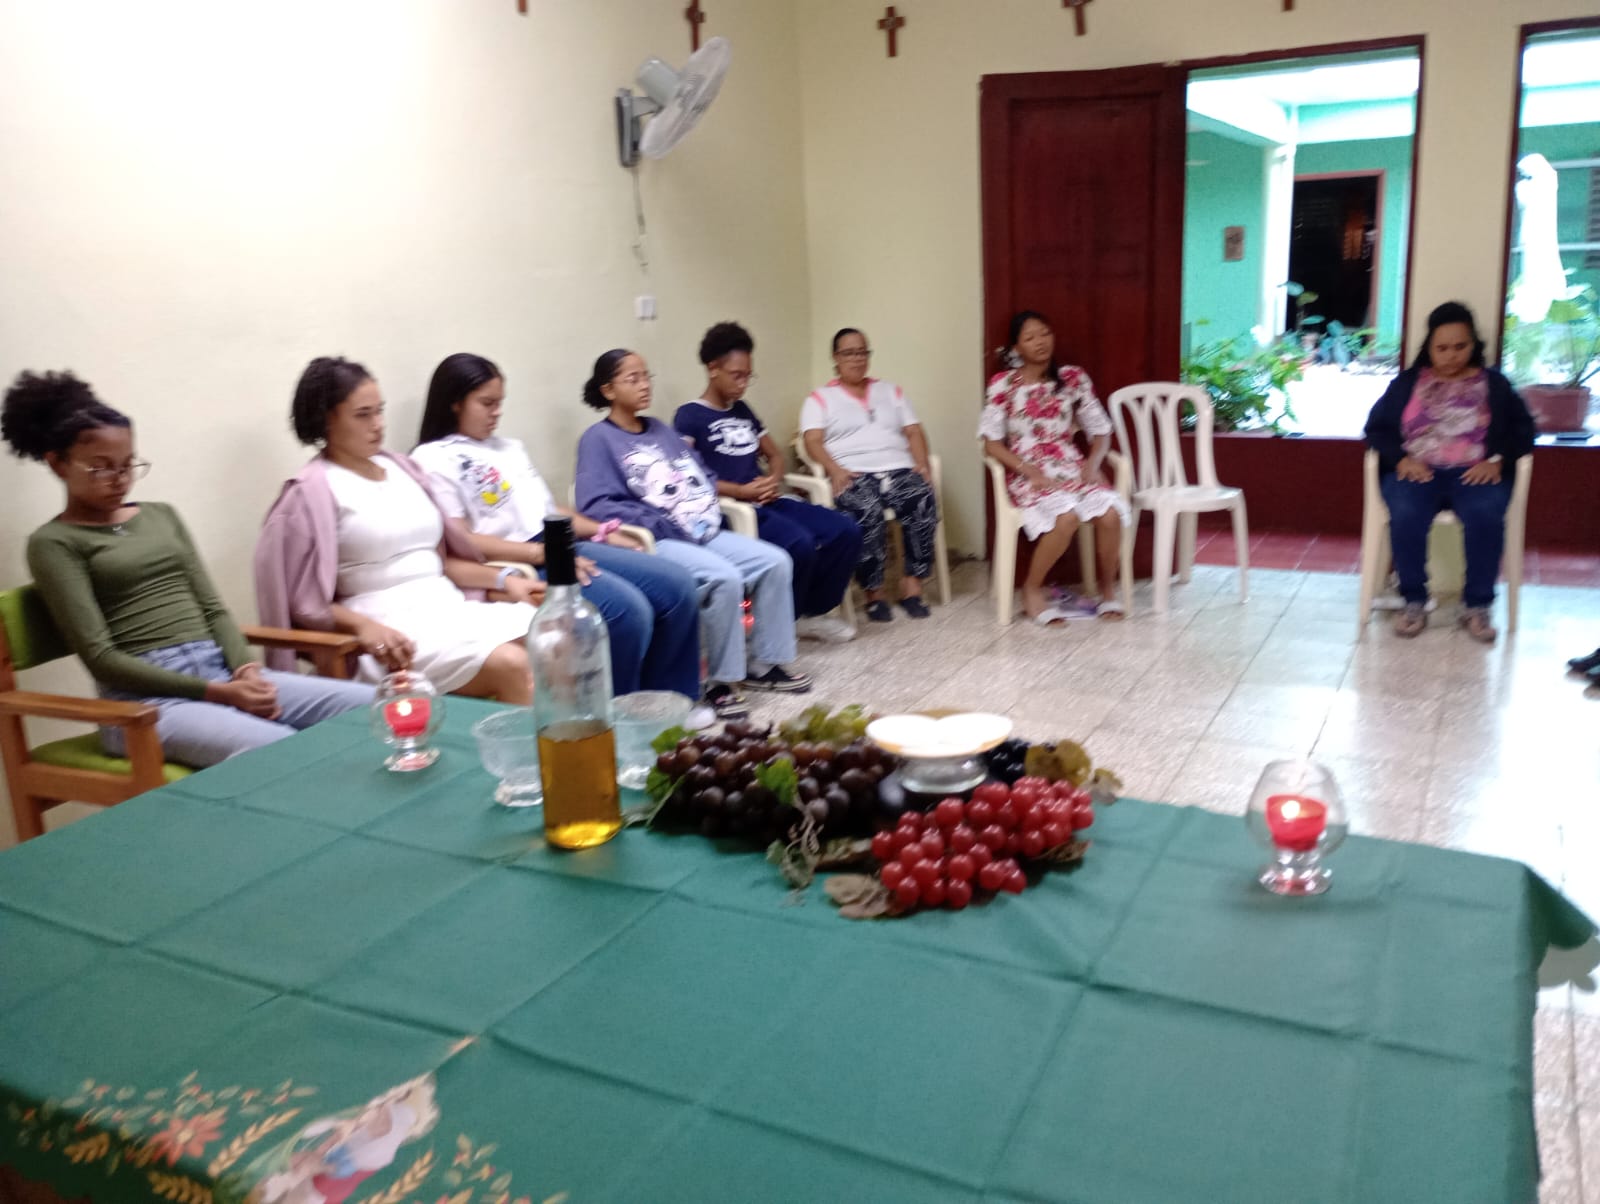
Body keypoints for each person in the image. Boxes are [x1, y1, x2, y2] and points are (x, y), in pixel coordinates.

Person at [2, 370, 372, 767]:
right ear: (58, 463)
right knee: (281, 752)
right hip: (144, 705)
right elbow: (101, 656)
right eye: (101, 467)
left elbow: (213, 609)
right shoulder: (54, 543)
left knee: (378, 706)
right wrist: (218, 693)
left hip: (222, 672)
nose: (119, 480)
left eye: (127, 465)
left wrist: (246, 671)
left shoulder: (162, 516)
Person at [412, 352, 703, 701]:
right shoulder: (433, 458)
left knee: (677, 584)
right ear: (454, 402)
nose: (497, 413)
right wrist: (541, 553)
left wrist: (602, 530)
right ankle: (618, 714)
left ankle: (671, 702)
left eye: (500, 403)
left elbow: (548, 510)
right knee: (627, 611)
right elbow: (462, 540)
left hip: (557, 542)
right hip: (518, 560)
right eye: (487, 404)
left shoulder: (509, 448)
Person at [256, 357, 536, 703]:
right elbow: (304, 603)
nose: (378, 425)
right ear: (327, 419)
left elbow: (440, 561)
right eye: (363, 415)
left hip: (447, 607)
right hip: (387, 632)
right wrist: (362, 626)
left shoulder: (404, 469)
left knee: (557, 635)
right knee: (511, 664)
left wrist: (504, 579)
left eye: (380, 411)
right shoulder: (309, 493)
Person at [574, 348, 810, 718]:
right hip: (656, 538)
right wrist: (656, 520)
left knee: (775, 561)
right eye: (633, 379)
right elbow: (596, 505)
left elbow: (699, 474)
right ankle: (721, 682)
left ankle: (765, 664)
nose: (644, 385)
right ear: (608, 390)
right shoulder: (598, 439)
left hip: (700, 528)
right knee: (723, 577)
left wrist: (705, 504)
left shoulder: (660, 430)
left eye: (646, 376)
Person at [674, 322, 862, 644]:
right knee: (799, 543)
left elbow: (774, 455)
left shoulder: (743, 410)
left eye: (748, 375)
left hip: (766, 500)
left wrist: (771, 479)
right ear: (713, 369)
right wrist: (740, 491)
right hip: (730, 509)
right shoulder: (689, 416)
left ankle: (812, 612)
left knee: (845, 531)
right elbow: (689, 477)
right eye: (737, 375)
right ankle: (784, 619)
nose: (743, 383)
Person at [1364, 301, 1536, 642]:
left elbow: (1525, 429)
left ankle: (1477, 605)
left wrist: (1497, 460)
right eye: (1442, 348)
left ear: (1474, 345)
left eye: (1460, 346)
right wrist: (1400, 459)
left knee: (1485, 514)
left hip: (1475, 474)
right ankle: (1413, 600)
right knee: (1406, 512)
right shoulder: (1408, 382)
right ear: (1429, 348)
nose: (1452, 355)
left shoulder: (1495, 384)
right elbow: (1376, 429)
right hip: (1417, 472)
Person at [980, 310, 1129, 623]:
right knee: (1066, 518)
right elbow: (991, 444)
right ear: (1017, 347)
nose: (1040, 342)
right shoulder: (1003, 384)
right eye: (1030, 337)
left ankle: (1107, 590)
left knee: (1110, 514)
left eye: (1045, 333)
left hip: (1071, 465)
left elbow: (1100, 430)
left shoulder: (1073, 378)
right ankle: (1032, 589)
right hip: (1027, 470)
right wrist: (1029, 471)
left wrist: (1093, 464)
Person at [800, 329, 938, 621]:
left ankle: (912, 587)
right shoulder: (820, 399)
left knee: (921, 497)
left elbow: (913, 430)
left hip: (898, 467)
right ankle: (874, 593)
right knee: (866, 510)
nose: (857, 358)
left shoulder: (891, 392)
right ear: (836, 357)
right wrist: (834, 470)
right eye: (849, 353)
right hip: (853, 471)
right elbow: (812, 441)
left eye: (862, 352)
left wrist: (922, 464)